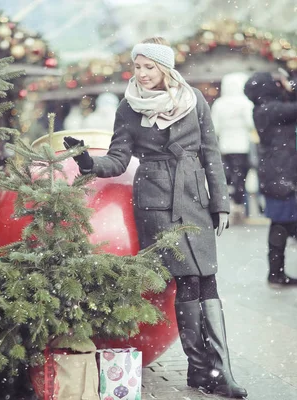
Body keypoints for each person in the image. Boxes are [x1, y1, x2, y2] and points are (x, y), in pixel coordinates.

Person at [62, 37, 247, 398]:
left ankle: (217, 371)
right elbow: (118, 160)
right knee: (188, 282)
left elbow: (211, 152)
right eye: (137, 66)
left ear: (165, 68)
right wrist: (86, 162)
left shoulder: (193, 100)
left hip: (194, 197)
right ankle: (203, 370)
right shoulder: (128, 109)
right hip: (156, 203)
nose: (142, 74)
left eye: (149, 67)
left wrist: (220, 203)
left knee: (208, 280)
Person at [243, 71, 297, 287]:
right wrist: (296, 83)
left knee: (283, 222)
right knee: (280, 224)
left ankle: (276, 272)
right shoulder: (270, 109)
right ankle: (276, 274)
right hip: (280, 176)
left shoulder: (266, 107)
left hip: (279, 174)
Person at [211, 72, 254, 224]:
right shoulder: (245, 103)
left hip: (225, 146)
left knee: (227, 177)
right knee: (240, 178)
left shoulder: (219, 104)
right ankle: (239, 207)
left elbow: (214, 127)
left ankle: (228, 206)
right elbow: (251, 124)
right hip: (242, 145)